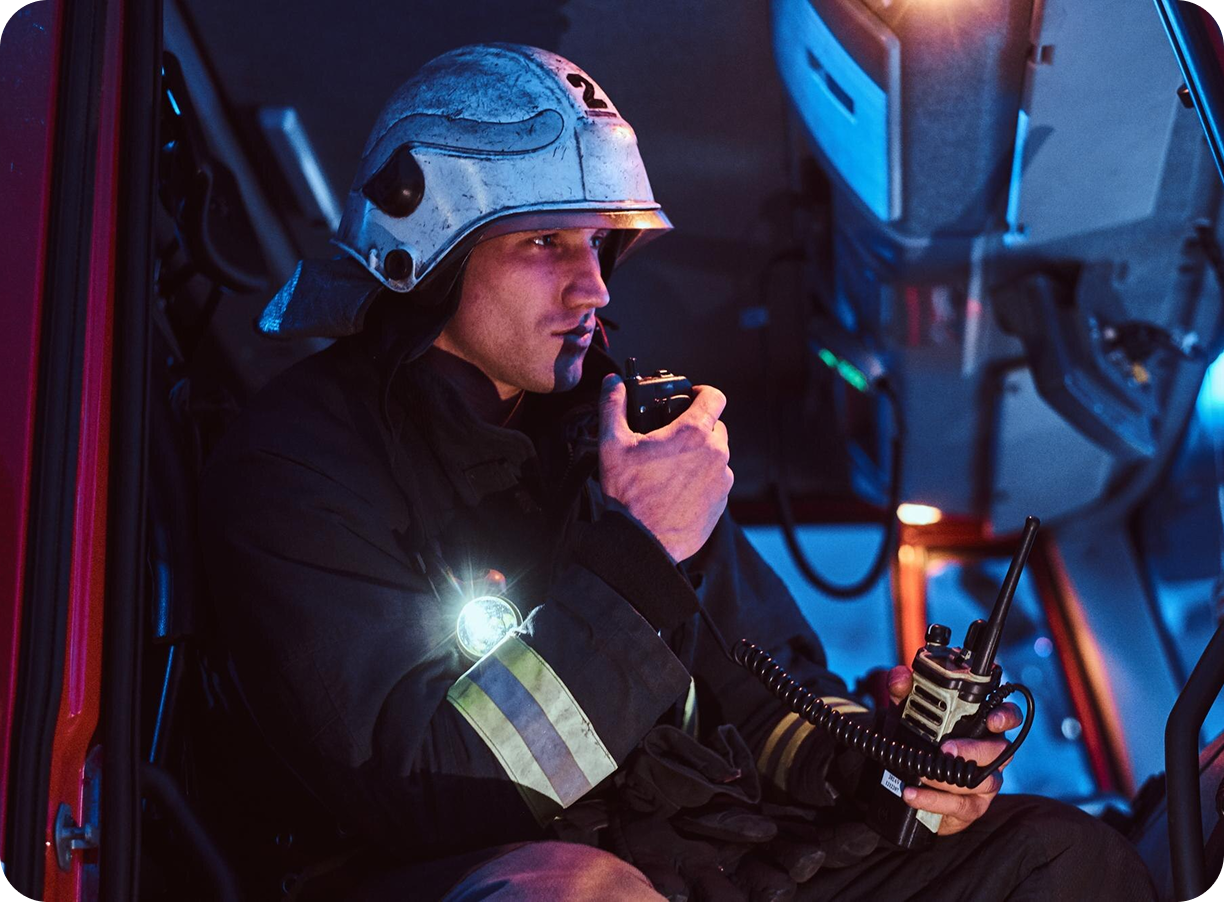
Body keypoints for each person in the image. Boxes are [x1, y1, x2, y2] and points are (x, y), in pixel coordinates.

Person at [198, 43, 1157, 900]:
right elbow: (431, 792)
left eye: (599, 243)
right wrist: (640, 550)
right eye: (544, 242)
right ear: (428, 252)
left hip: (709, 861)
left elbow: (767, 689)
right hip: (494, 870)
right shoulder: (298, 464)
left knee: (1058, 856)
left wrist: (888, 762)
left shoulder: (615, 431)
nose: (594, 285)